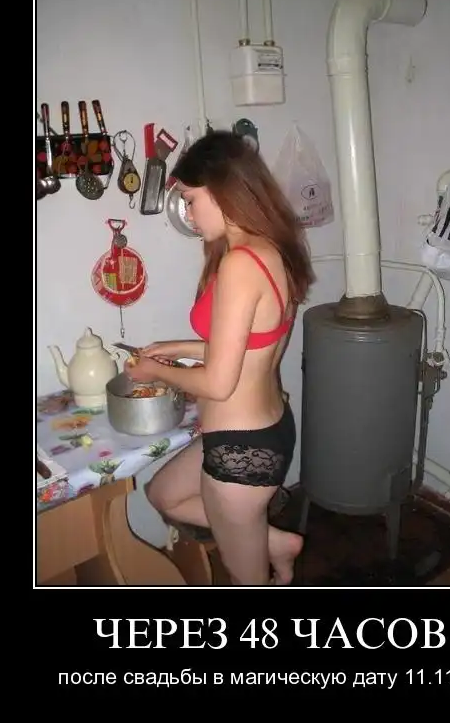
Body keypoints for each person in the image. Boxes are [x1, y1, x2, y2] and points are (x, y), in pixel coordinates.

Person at [125, 130, 316, 586]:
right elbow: (252, 344)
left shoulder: (240, 264)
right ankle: (276, 543)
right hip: (260, 429)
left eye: (191, 200)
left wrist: (155, 373)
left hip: (240, 448)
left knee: (246, 579)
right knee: (163, 494)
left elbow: (217, 383)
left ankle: (265, 554)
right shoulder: (268, 249)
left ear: (220, 189)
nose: (189, 214)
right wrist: (177, 349)